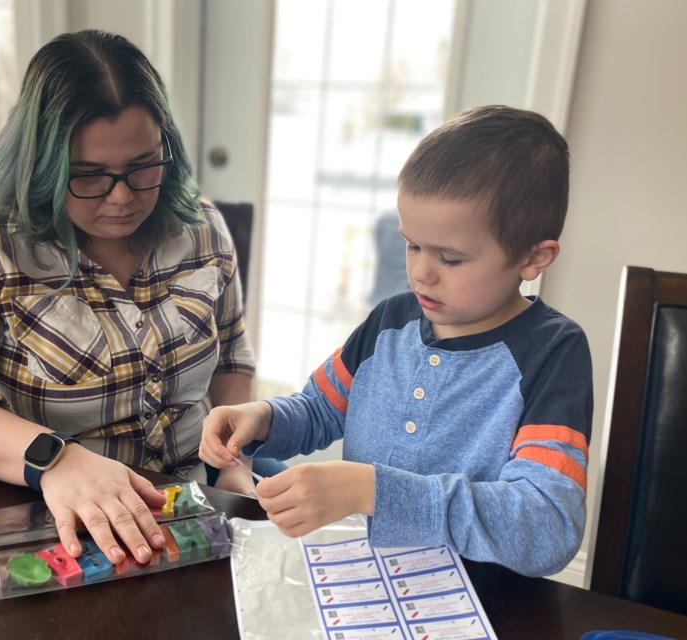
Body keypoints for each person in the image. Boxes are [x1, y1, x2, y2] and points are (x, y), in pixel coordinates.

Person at [0, 29, 260, 567]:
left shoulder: (201, 227)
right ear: (42, 165)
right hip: (57, 528)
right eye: (87, 176)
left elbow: (230, 356)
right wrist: (54, 459)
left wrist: (232, 464)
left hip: (190, 507)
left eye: (143, 164)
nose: (124, 197)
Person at [200, 105, 593, 577]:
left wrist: (370, 490)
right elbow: (320, 409)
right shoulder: (392, 319)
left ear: (534, 258)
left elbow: (546, 526)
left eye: (450, 258)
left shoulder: (552, 353)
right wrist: (261, 417)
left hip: (475, 596)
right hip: (361, 575)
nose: (420, 273)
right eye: (412, 245)